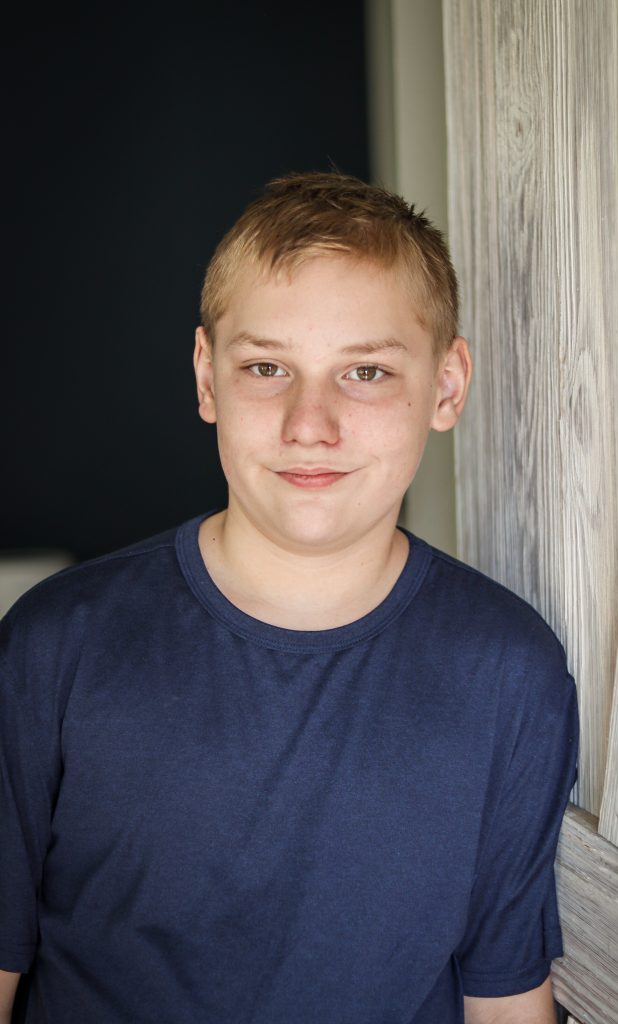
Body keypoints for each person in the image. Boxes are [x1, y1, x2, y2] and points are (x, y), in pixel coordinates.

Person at [0, 172, 578, 1024]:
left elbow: (504, 1000)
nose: (311, 422)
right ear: (207, 378)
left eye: (367, 372)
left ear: (447, 386)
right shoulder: (56, 644)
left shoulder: (506, 671)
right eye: (267, 366)